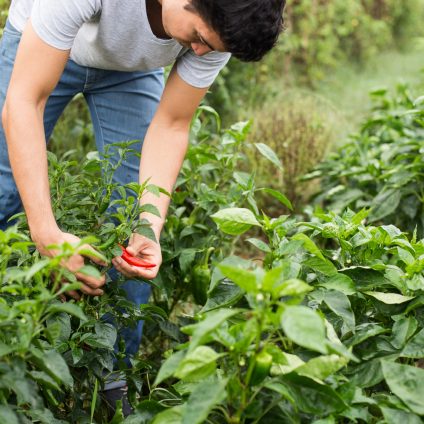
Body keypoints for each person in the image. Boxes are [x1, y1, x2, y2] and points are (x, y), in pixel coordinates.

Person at [0, 0, 286, 414]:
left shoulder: (220, 25)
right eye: (200, 40)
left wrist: (148, 227)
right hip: (39, 39)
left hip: (131, 72)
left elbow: (171, 125)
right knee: (6, 192)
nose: (201, 53)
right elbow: (24, 101)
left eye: (212, 47)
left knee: (135, 222)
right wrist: (46, 233)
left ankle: (115, 380)